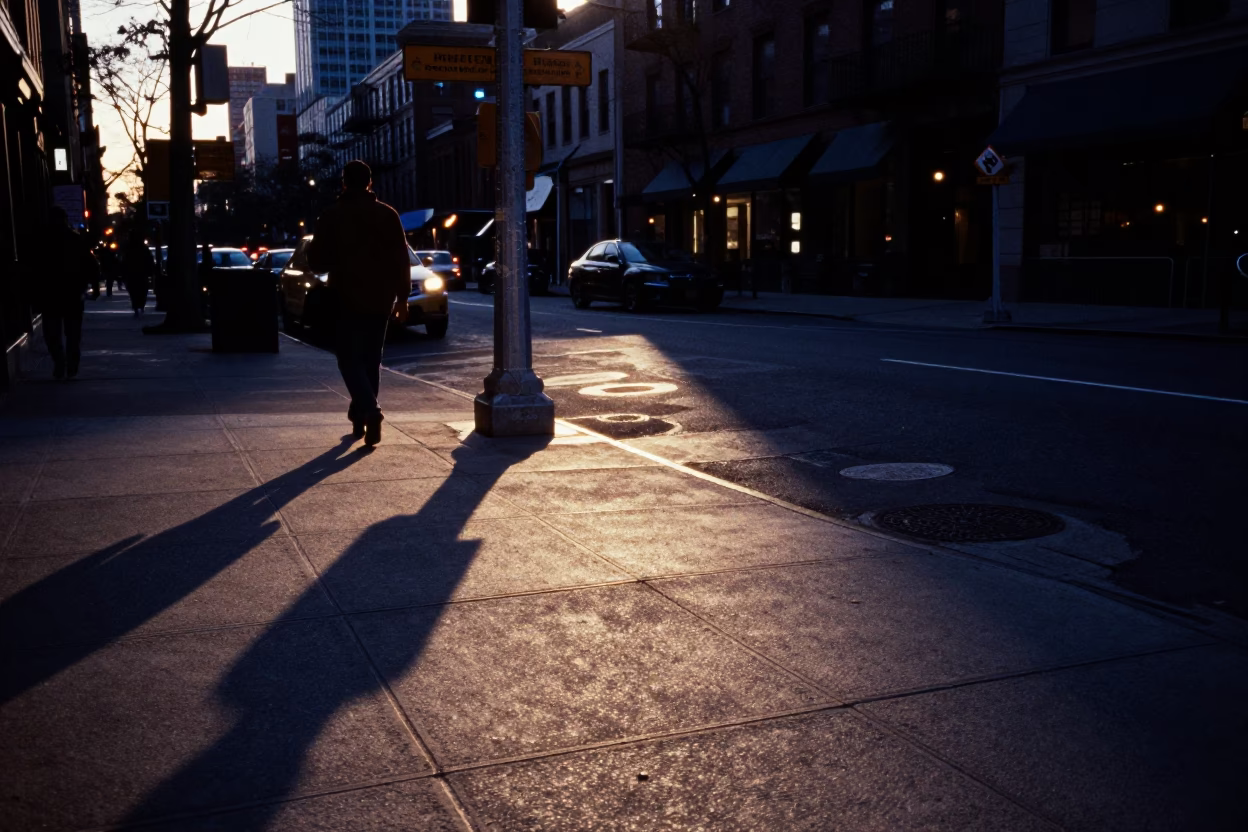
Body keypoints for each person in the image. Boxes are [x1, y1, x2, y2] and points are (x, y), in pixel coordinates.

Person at [306, 160, 410, 447]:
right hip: (381, 298)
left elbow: (316, 262)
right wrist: (402, 299)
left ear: (343, 183)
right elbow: (402, 259)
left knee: (348, 360)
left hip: (345, 297)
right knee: (371, 360)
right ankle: (359, 413)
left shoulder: (331, 216)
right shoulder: (388, 215)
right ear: (370, 183)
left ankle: (371, 411)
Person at [40, 206, 100, 379]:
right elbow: (92, 266)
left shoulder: (43, 241)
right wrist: (94, 287)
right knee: (72, 333)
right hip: (71, 293)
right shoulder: (75, 240)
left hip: (51, 294)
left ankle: (61, 361)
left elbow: (33, 268)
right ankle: (70, 363)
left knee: (53, 333)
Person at [121, 231, 156, 316]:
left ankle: (137, 306)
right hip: (140, 273)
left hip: (133, 273)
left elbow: (124, 262)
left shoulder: (129, 249)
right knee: (142, 290)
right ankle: (140, 305)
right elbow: (149, 260)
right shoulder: (143, 249)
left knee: (134, 291)